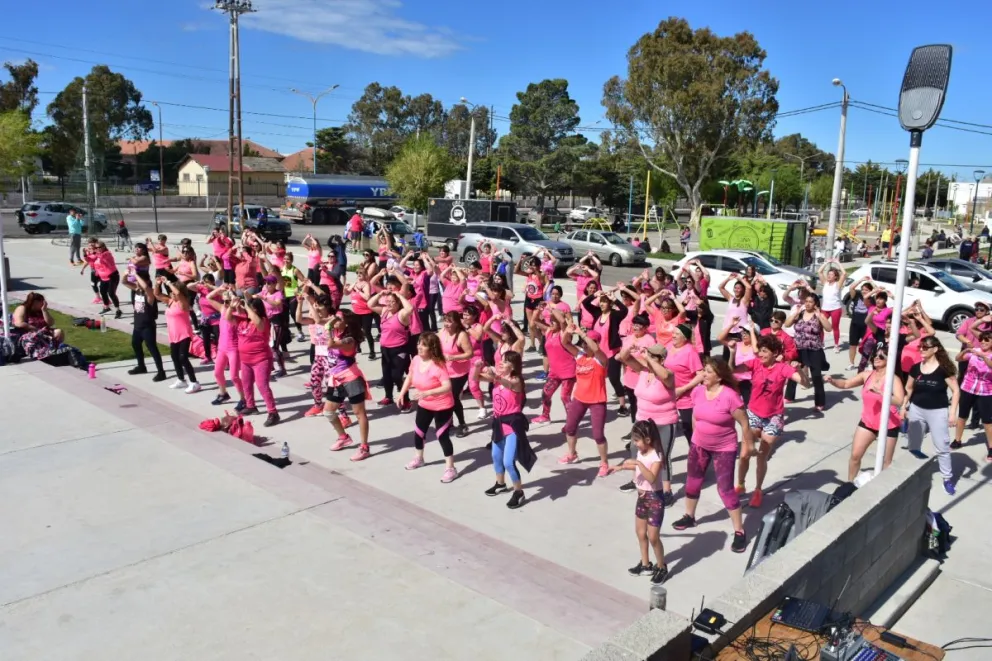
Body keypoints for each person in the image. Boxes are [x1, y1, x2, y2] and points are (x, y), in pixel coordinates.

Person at [672, 358, 754, 554]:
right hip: (699, 445)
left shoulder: (730, 396)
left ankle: (739, 531)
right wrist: (695, 440)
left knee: (725, 489)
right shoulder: (698, 391)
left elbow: (744, 423)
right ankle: (689, 517)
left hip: (724, 448)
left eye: (707, 372)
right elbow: (694, 416)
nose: (703, 375)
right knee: (692, 482)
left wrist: (747, 446)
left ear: (719, 376)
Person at [732, 332, 809, 506]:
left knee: (762, 455)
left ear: (775, 353)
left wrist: (799, 371)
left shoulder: (783, 368)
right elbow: (732, 370)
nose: (760, 354)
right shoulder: (755, 363)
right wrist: (730, 353)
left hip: (773, 417)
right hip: (753, 413)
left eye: (765, 351)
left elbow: (806, 384)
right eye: (759, 351)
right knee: (744, 454)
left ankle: (758, 490)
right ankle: (741, 484)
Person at [617, 344, 678, 505]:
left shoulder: (668, 374)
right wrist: (629, 347)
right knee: (634, 449)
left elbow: (665, 376)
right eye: (648, 353)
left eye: (653, 355)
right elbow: (624, 357)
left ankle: (666, 491)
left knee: (662, 455)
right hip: (642, 420)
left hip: (664, 422)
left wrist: (648, 359)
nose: (648, 357)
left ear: (662, 359)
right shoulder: (643, 371)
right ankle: (636, 479)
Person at [611, 419, 670, 585]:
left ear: (648, 440)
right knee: (640, 533)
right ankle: (645, 564)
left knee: (653, 537)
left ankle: (661, 566)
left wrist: (637, 462)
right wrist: (621, 467)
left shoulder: (656, 456)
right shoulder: (642, 453)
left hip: (655, 499)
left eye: (636, 440)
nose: (635, 444)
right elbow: (639, 469)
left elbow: (651, 477)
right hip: (642, 498)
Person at [397, 332, 458, 482]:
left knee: (441, 435)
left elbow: (447, 386)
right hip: (425, 404)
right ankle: (419, 458)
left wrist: (427, 392)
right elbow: (410, 376)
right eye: (419, 343)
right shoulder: (416, 360)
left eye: (423, 345)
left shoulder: (438, 365)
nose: (419, 347)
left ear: (432, 348)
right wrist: (401, 393)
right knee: (419, 432)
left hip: (442, 405)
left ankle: (451, 468)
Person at [903, 337, 959, 495]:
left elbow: (956, 391)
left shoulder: (944, 369)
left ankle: (947, 478)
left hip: (937, 411)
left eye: (925, 347)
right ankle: (914, 473)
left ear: (935, 349)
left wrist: (952, 413)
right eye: (920, 347)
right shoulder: (915, 368)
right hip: (916, 409)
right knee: (913, 444)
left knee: (942, 446)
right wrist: (904, 406)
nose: (921, 349)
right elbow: (908, 388)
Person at [478, 350, 531, 509]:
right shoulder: (497, 380)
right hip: (498, 423)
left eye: (505, 361)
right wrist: (477, 367)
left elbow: (507, 384)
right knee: (495, 456)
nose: (501, 363)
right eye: (501, 360)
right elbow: (475, 378)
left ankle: (518, 492)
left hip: (513, 426)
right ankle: (500, 484)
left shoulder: (516, 381)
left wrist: (495, 375)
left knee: (508, 462)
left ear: (513, 366)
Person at [559, 327, 611, 477]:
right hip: (580, 399)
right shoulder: (580, 355)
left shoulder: (601, 358)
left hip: (597, 400)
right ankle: (572, 453)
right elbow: (565, 343)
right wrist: (568, 331)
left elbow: (596, 349)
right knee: (570, 427)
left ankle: (604, 462)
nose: (585, 345)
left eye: (588, 342)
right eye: (583, 343)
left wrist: (583, 334)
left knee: (598, 435)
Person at [323, 310, 372, 460]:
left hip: (351, 378)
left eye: (339, 318)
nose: (335, 320)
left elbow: (331, 344)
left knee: (359, 413)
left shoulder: (349, 340)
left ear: (346, 322)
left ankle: (364, 447)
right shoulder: (337, 333)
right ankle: (343, 437)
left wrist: (328, 327)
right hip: (336, 378)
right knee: (328, 412)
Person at [784, 292, 831, 410]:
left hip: (814, 350)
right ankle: (789, 396)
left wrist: (820, 315)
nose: (808, 304)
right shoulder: (800, 314)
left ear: (815, 304)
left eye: (811, 302)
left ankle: (819, 402)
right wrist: (796, 313)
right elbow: (787, 324)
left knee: (816, 375)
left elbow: (829, 328)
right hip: (799, 348)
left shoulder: (818, 315)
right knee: (793, 371)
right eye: (807, 301)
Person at [153, 278, 201, 394]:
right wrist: (158, 284)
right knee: (174, 357)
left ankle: (194, 382)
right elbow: (157, 294)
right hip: (173, 335)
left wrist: (168, 282)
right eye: (170, 293)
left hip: (184, 334)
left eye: (173, 293)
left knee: (183, 358)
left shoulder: (183, 303)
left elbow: (179, 293)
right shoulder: (170, 301)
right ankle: (181, 380)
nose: (171, 294)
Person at [369, 290, 414, 410]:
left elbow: (410, 309)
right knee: (387, 374)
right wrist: (380, 294)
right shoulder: (384, 311)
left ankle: (405, 399)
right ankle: (388, 396)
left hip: (399, 349)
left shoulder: (402, 314)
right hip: (385, 349)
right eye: (387, 301)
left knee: (396, 375)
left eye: (392, 302)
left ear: (398, 303)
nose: (389, 304)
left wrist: (399, 295)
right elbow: (370, 304)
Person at [202, 284, 245, 408]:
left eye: (228, 301)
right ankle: (223, 393)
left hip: (233, 349)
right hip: (222, 348)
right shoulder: (222, 308)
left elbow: (230, 316)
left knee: (234, 376)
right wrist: (219, 289)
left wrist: (233, 298)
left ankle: (243, 399)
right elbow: (209, 297)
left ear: (233, 301)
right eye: (224, 301)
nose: (225, 303)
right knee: (217, 373)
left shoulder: (239, 313)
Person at [533, 306, 576, 424]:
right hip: (554, 372)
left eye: (554, 320)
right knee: (546, 393)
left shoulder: (564, 333)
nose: (551, 322)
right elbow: (535, 321)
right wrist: (539, 310)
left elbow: (563, 321)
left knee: (565, 397)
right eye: (550, 320)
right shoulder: (549, 332)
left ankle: (571, 422)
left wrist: (552, 310)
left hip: (568, 371)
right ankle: (545, 416)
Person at [953, 333, 992, 462]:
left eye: (987, 340)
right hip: (968, 388)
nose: (983, 342)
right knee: (962, 415)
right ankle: (957, 440)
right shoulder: (975, 351)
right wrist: (966, 350)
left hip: (985, 391)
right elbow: (958, 358)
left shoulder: (985, 354)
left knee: (987, 421)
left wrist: (983, 356)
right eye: (981, 340)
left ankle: (991, 448)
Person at [439, 311, 475, 438]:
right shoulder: (442, 332)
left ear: (456, 323)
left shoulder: (461, 335)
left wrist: (453, 357)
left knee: (453, 397)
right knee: (445, 397)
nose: (447, 324)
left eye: (450, 321)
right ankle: (449, 423)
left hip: (459, 372)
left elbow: (469, 353)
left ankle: (462, 424)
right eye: (445, 321)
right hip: (445, 370)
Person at [818, 259, 845, 353]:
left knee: (835, 327)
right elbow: (819, 272)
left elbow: (844, 273)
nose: (829, 276)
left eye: (831, 274)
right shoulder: (825, 283)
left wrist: (837, 263)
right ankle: (821, 343)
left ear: (835, 277)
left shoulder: (837, 284)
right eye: (828, 274)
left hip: (835, 308)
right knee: (820, 325)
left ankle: (836, 345)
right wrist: (827, 263)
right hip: (825, 309)